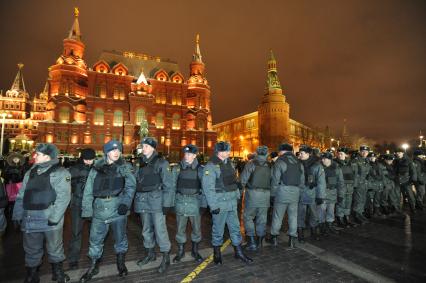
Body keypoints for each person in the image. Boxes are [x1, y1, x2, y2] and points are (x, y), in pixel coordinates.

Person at [12, 143, 71, 283]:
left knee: (55, 249)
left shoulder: (60, 172)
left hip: (50, 220)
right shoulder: (30, 172)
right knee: (31, 250)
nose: (34, 156)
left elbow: (64, 198)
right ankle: (32, 274)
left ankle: (57, 272)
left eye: (37, 154)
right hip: (30, 219)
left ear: (47, 156)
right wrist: (17, 215)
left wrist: (54, 218)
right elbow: (21, 195)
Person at [80, 141, 136, 282]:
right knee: (95, 240)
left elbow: (131, 186)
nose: (116, 153)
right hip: (99, 209)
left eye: (119, 150)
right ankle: (94, 266)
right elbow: (88, 191)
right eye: (113, 150)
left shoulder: (124, 167)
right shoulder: (96, 168)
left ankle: (120, 263)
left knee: (120, 238)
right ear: (106, 152)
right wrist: (87, 211)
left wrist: (125, 203)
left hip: (118, 209)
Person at [202, 141, 253, 265]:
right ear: (220, 152)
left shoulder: (229, 163)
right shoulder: (211, 166)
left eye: (228, 150)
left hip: (231, 201)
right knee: (218, 229)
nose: (229, 152)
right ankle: (217, 253)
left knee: (235, 228)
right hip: (219, 203)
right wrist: (213, 206)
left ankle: (238, 252)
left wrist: (237, 195)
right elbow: (208, 188)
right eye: (227, 150)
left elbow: (233, 181)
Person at [135, 137, 174, 273]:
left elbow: (169, 185)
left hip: (157, 202)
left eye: (146, 146)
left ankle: (165, 256)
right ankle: (150, 253)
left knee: (160, 230)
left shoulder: (162, 163)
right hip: (143, 201)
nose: (143, 148)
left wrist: (167, 205)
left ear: (152, 148)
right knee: (146, 230)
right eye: (143, 146)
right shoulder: (139, 162)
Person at [172, 144, 206, 263]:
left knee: (196, 229)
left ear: (195, 155)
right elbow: (172, 186)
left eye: (190, 154)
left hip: (195, 202)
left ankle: (195, 251)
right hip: (180, 202)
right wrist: (171, 203)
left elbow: (205, 188)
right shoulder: (177, 168)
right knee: (180, 229)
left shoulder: (200, 169)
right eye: (185, 154)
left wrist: (203, 205)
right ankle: (180, 251)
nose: (187, 156)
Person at [269, 143, 305, 247]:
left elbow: (275, 180)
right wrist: (300, 193)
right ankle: (292, 240)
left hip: (282, 192)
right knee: (293, 216)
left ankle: (274, 238)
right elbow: (302, 181)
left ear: (282, 151)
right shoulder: (299, 162)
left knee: (277, 216)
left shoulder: (280, 161)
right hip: (295, 192)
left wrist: (272, 194)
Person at [67, 148, 96, 269]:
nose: (89, 162)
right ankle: (73, 258)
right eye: (86, 159)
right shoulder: (74, 169)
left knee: (95, 233)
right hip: (78, 205)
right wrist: (76, 181)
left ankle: (94, 255)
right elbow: (65, 184)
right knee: (76, 232)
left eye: (91, 159)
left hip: (94, 204)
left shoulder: (97, 169)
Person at [240, 145, 271, 250]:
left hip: (252, 195)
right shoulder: (270, 165)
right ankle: (260, 242)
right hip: (266, 195)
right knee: (262, 219)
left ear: (256, 153)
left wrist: (239, 193)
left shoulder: (251, 164)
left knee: (248, 217)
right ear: (267, 154)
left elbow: (243, 180)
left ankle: (251, 241)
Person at [297, 145, 325, 241]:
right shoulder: (297, 163)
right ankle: (300, 232)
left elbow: (321, 182)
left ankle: (313, 230)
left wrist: (320, 196)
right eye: (299, 153)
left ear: (308, 154)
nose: (299, 155)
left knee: (314, 213)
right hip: (300, 193)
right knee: (300, 213)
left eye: (302, 153)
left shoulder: (317, 165)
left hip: (312, 193)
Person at [320, 152, 344, 234]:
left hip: (332, 193)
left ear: (330, 159)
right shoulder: (319, 168)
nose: (322, 160)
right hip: (322, 193)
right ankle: (322, 227)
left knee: (330, 211)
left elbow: (340, 183)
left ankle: (329, 226)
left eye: (324, 159)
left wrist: (341, 195)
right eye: (322, 158)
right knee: (321, 211)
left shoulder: (337, 169)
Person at [334, 147, 358, 227]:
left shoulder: (350, 163)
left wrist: (354, 185)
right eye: (339, 153)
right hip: (341, 187)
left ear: (346, 155)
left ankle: (346, 217)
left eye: (341, 154)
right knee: (341, 203)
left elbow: (354, 174)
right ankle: (339, 218)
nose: (339, 155)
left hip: (349, 187)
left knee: (348, 203)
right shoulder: (335, 163)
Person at [394, 148, 417, 214]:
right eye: (397, 153)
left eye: (399, 152)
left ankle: (413, 208)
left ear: (403, 153)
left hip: (406, 181)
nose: (398, 154)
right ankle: (398, 209)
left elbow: (413, 171)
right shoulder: (395, 160)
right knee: (397, 196)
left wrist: (412, 181)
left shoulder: (408, 160)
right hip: (397, 181)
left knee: (410, 196)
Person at [352, 145, 371, 224]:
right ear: (359, 152)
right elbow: (354, 173)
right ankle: (357, 215)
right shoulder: (356, 160)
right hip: (359, 183)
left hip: (364, 183)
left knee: (363, 199)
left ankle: (360, 213)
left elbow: (367, 173)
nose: (364, 153)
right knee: (358, 200)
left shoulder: (366, 160)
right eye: (363, 151)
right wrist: (355, 185)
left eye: (366, 152)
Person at [366, 152, 384, 218]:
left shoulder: (379, 164)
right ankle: (369, 212)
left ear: (375, 157)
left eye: (373, 157)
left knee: (377, 199)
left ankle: (376, 211)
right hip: (371, 184)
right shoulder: (367, 165)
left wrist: (382, 183)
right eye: (370, 157)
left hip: (378, 184)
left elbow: (382, 175)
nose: (372, 158)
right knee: (370, 200)